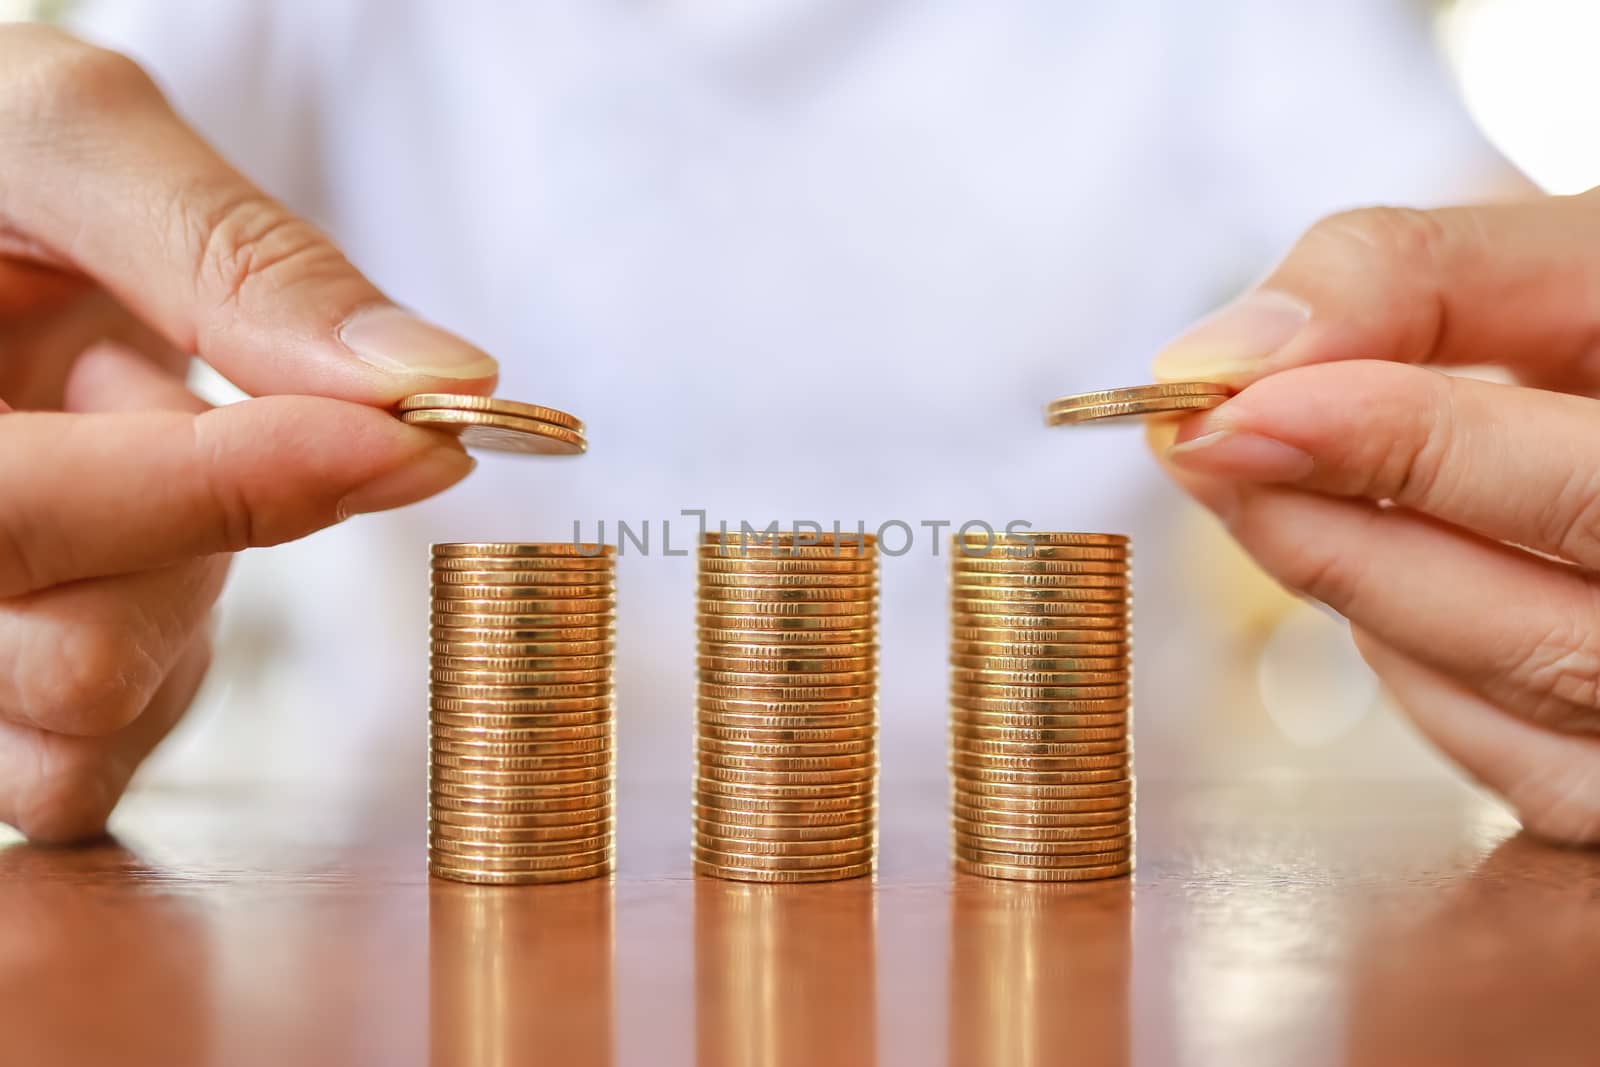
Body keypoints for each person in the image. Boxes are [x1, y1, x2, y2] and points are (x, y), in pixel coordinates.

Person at [4, 6, 1548, 843]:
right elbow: (76, 205)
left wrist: (1541, 456)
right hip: (437, 893)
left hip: (1070, 892)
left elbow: (1494, 327)